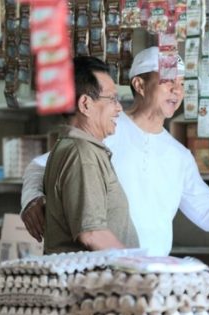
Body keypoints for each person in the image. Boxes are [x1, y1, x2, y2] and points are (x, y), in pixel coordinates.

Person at [21, 47, 209, 256]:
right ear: (139, 84)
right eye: (168, 81)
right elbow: (40, 165)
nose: (177, 91)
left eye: (182, 84)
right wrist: (32, 198)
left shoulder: (178, 155)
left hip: (148, 275)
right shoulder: (104, 130)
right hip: (100, 270)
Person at [44, 56, 139, 253]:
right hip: (88, 282)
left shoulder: (77, 147)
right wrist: (140, 264)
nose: (119, 107)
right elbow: (92, 234)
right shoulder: (82, 153)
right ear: (85, 104)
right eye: (112, 99)